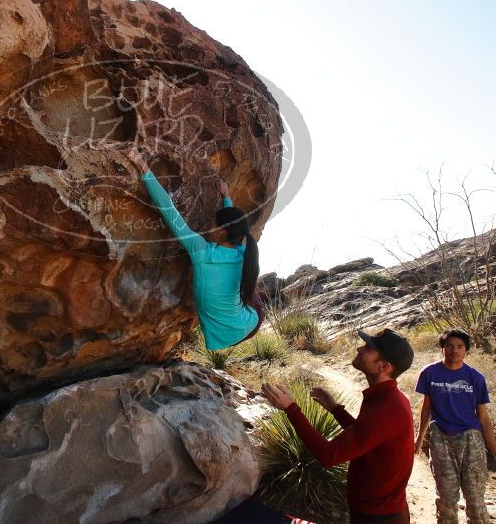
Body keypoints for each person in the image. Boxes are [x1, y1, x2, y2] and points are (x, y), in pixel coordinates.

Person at [262, 328, 416, 524]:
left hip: (378, 517)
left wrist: (291, 409)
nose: (360, 349)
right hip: (380, 511)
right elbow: (366, 437)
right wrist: (336, 410)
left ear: (383, 367)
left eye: (368, 348)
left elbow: (330, 455)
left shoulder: (385, 408)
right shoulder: (387, 397)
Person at [127, 148, 261, 351]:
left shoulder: (202, 252)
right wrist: (226, 197)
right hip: (250, 324)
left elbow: (168, 210)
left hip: (239, 326)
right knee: (247, 284)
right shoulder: (243, 251)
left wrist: (142, 165)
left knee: (248, 292)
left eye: (214, 225)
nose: (209, 227)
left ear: (224, 233)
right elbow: (236, 227)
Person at [414, 328, 496, 524]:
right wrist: (419, 441)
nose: (455, 350)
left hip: (471, 438)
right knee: (446, 499)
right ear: (442, 349)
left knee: (476, 500)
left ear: (466, 350)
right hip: (441, 438)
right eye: (449, 346)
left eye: (460, 346)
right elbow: (426, 408)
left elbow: (484, 418)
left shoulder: (475, 378)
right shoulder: (429, 373)